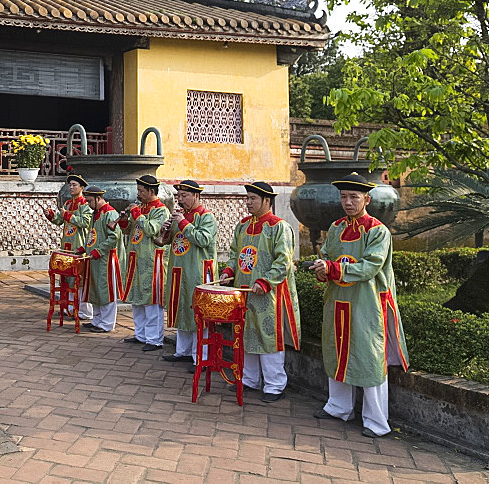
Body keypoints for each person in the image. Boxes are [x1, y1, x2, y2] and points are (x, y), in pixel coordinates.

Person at [310, 172, 409, 438]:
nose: (348, 202)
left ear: (367, 199)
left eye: (354, 197)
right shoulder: (336, 228)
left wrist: (331, 268)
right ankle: (339, 407)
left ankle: (376, 420)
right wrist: (321, 268)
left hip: (366, 304)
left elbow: (369, 267)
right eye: (343, 197)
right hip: (338, 300)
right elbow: (328, 256)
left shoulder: (378, 231)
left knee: (369, 357)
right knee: (337, 351)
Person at [221, 181, 300, 402]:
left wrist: (266, 282)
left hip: (269, 294)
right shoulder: (242, 226)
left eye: (253, 199)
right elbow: (236, 253)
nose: (248, 203)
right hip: (245, 291)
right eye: (247, 198)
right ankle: (249, 380)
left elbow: (283, 260)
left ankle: (275, 385)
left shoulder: (279, 227)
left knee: (269, 337)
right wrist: (229, 271)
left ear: (267, 200)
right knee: (247, 334)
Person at [162, 179, 218, 370]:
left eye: (184, 196)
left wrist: (184, 223)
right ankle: (183, 351)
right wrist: (164, 231)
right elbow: (166, 241)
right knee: (182, 310)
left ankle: (200, 357)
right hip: (179, 269)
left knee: (197, 313)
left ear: (196, 196)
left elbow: (203, 239)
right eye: (179, 195)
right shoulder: (180, 216)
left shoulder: (206, 217)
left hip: (198, 271)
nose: (180, 199)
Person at [119, 174, 171, 351]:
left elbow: (151, 229)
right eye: (138, 191)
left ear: (151, 191)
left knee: (151, 300)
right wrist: (124, 221)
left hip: (151, 260)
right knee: (137, 298)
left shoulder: (161, 210)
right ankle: (140, 334)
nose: (139, 194)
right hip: (136, 259)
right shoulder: (141, 207)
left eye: (142, 191)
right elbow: (129, 231)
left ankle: (154, 339)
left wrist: (137, 214)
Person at [45, 174, 94, 321]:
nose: (71, 187)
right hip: (66, 245)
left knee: (80, 279)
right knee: (67, 278)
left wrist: (68, 216)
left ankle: (84, 311)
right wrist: (51, 215)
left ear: (82, 188)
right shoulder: (67, 204)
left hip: (79, 246)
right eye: (70, 185)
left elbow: (85, 222)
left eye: (74, 185)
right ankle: (70, 307)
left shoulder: (86, 205)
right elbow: (60, 221)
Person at [76, 185, 123, 333]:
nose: (88, 205)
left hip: (106, 259)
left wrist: (99, 250)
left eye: (90, 201)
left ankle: (107, 323)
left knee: (106, 290)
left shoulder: (110, 214)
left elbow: (114, 237)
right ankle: (96, 320)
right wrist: (84, 247)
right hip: (94, 258)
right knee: (94, 289)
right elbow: (91, 234)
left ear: (98, 198)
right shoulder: (96, 213)